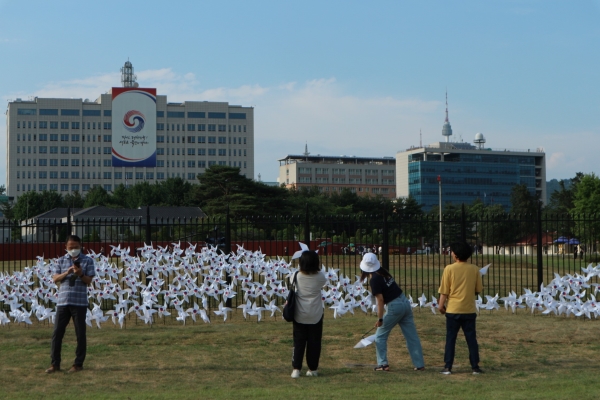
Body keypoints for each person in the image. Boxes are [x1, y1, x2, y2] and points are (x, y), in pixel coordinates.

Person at [360, 252, 425, 372]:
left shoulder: (374, 279)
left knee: (380, 336)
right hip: (405, 303)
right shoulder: (384, 273)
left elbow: (380, 300)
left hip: (395, 307)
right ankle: (419, 364)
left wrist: (380, 319)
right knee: (412, 337)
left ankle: (383, 364)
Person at [45, 235, 95, 374]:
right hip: (63, 301)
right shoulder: (61, 261)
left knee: (80, 333)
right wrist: (66, 272)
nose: (73, 250)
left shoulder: (87, 260)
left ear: (81, 246)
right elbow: (55, 278)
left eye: (76, 247)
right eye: (70, 247)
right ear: (65, 247)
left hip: (79, 302)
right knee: (57, 333)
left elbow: (88, 281)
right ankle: (55, 364)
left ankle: (78, 364)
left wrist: (80, 274)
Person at [437, 242, 484, 375]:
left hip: (453, 310)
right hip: (469, 310)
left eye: (452, 251)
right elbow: (478, 290)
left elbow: (444, 291)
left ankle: (448, 366)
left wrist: (441, 306)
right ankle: (475, 366)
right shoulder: (474, 269)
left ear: (455, 255)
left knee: (451, 338)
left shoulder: (449, 269)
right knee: (471, 339)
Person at [290, 250, 328, 378]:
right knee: (314, 342)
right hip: (315, 314)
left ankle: (296, 369)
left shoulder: (296, 276)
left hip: (300, 314)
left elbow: (292, 286)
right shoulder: (320, 277)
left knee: (299, 342)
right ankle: (313, 369)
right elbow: (323, 284)